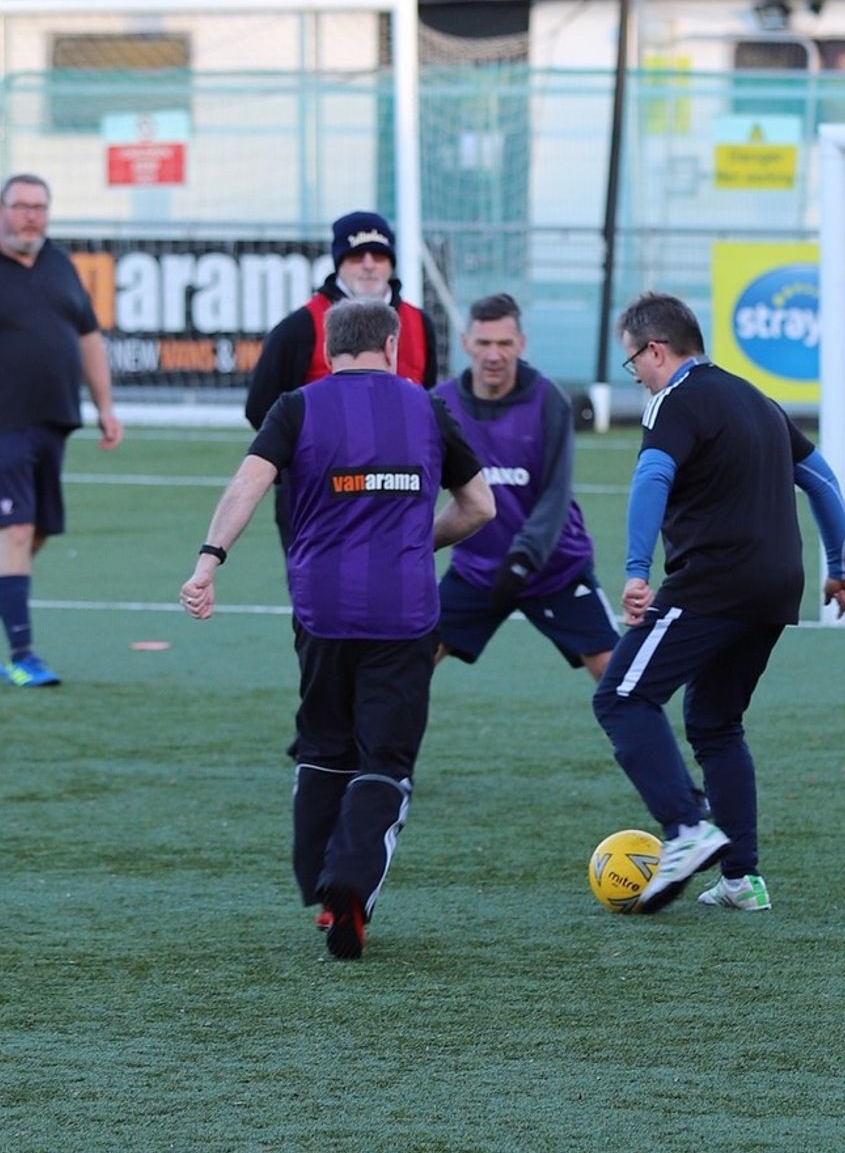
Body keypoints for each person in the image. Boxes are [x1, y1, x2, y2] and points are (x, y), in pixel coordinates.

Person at [181, 300, 494, 960]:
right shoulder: (429, 409)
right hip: (404, 612)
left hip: (321, 609)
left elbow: (248, 484)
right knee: (386, 758)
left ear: (327, 350)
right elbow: (480, 507)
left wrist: (210, 562)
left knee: (324, 741)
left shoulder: (297, 406)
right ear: (390, 344)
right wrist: (419, 539)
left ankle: (320, 887)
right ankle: (350, 883)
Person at [593, 292, 845, 914]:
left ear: (655, 350)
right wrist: (842, 568)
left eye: (634, 364)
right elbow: (821, 480)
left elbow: (652, 477)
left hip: (715, 582)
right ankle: (742, 880)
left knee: (622, 697)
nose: (636, 378)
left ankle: (687, 830)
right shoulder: (758, 400)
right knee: (716, 723)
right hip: (775, 590)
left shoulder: (675, 401)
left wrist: (637, 571)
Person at [434, 292, 619, 683]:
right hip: (476, 572)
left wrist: (522, 560)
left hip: (554, 568)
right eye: (484, 343)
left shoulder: (549, 400)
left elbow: (555, 496)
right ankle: (373, 746)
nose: (494, 354)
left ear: (522, 344)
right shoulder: (442, 404)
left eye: (504, 343)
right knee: (409, 661)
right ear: (467, 343)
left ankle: (655, 746)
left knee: (614, 672)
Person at [244, 210, 439, 549]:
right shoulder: (300, 326)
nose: (368, 264)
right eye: (355, 255)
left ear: (391, 262)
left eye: (378, 254)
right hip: (317, 496)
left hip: (396, 492)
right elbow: (261, 409)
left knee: (398, 592)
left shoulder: (420, 324)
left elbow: (426, 402)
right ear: (338, 263)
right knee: (319, 594)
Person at [0, 173, 123, 688]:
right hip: (4, 424)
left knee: (40, 530)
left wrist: (105, 405)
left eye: (40, 206)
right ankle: (23, 655)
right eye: (21, 205)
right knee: (18, 530)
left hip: (54, 422)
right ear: (3, 209)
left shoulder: (59, 263)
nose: (32, 215)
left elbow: (88, 336)